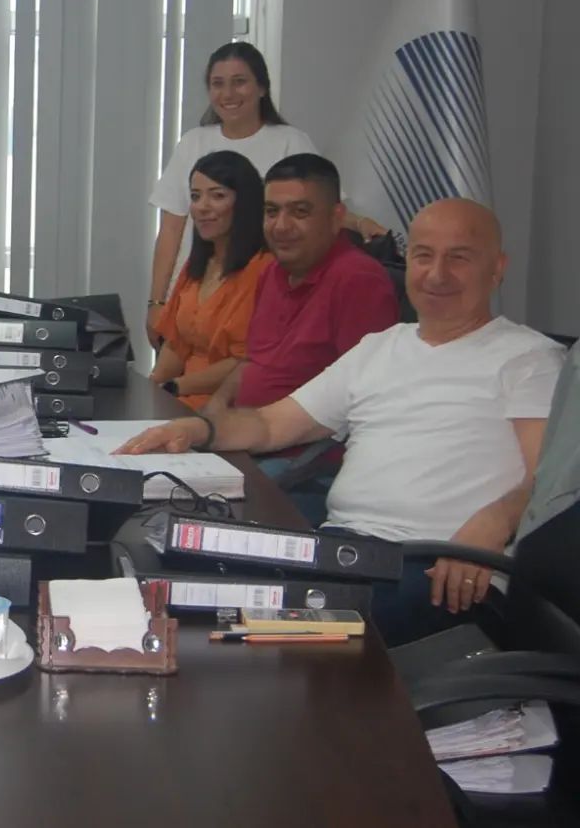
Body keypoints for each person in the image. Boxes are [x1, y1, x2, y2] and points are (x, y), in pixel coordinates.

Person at [119, 198, 565, 646]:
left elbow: (548, 481)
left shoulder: (528, 359)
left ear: (497, 268)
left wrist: (494, 522)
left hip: (441, 570)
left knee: (250, 630)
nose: (437, 274)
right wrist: (200, 429)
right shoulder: (379, 348)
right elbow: (273, 425)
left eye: (459, 258)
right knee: (171, 574)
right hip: (343, 553)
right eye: (423, 255)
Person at [145, 42, 383, 345]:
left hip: (257, 298)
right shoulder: (193, 143)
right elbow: (171, 229)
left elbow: (321, 210)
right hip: (193, 297)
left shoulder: (290, 142)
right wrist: (157, 302)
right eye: (218, 84)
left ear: (261, 88)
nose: (228, 94)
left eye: (239, 82)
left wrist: (361, 224)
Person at [207, 154, 399, 521]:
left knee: (205, 515)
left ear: (336, 218)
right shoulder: (271, 273)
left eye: (299, 212)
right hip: (249, 444)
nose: (281, 226)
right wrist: (214, 412)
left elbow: (362, 405)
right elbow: (252, 361)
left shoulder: (359, 281)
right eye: (271, 211)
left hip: (307, 465)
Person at [148, 150, 271, 410]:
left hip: (229, 407)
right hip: (178, 399)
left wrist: (174, 387)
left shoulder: (265, 269)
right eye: (195, 196)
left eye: (217, 196)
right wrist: (149, 389)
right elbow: (176, 344)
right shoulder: (197, 265)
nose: (202, 207)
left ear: (245, 202)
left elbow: (246, 362)